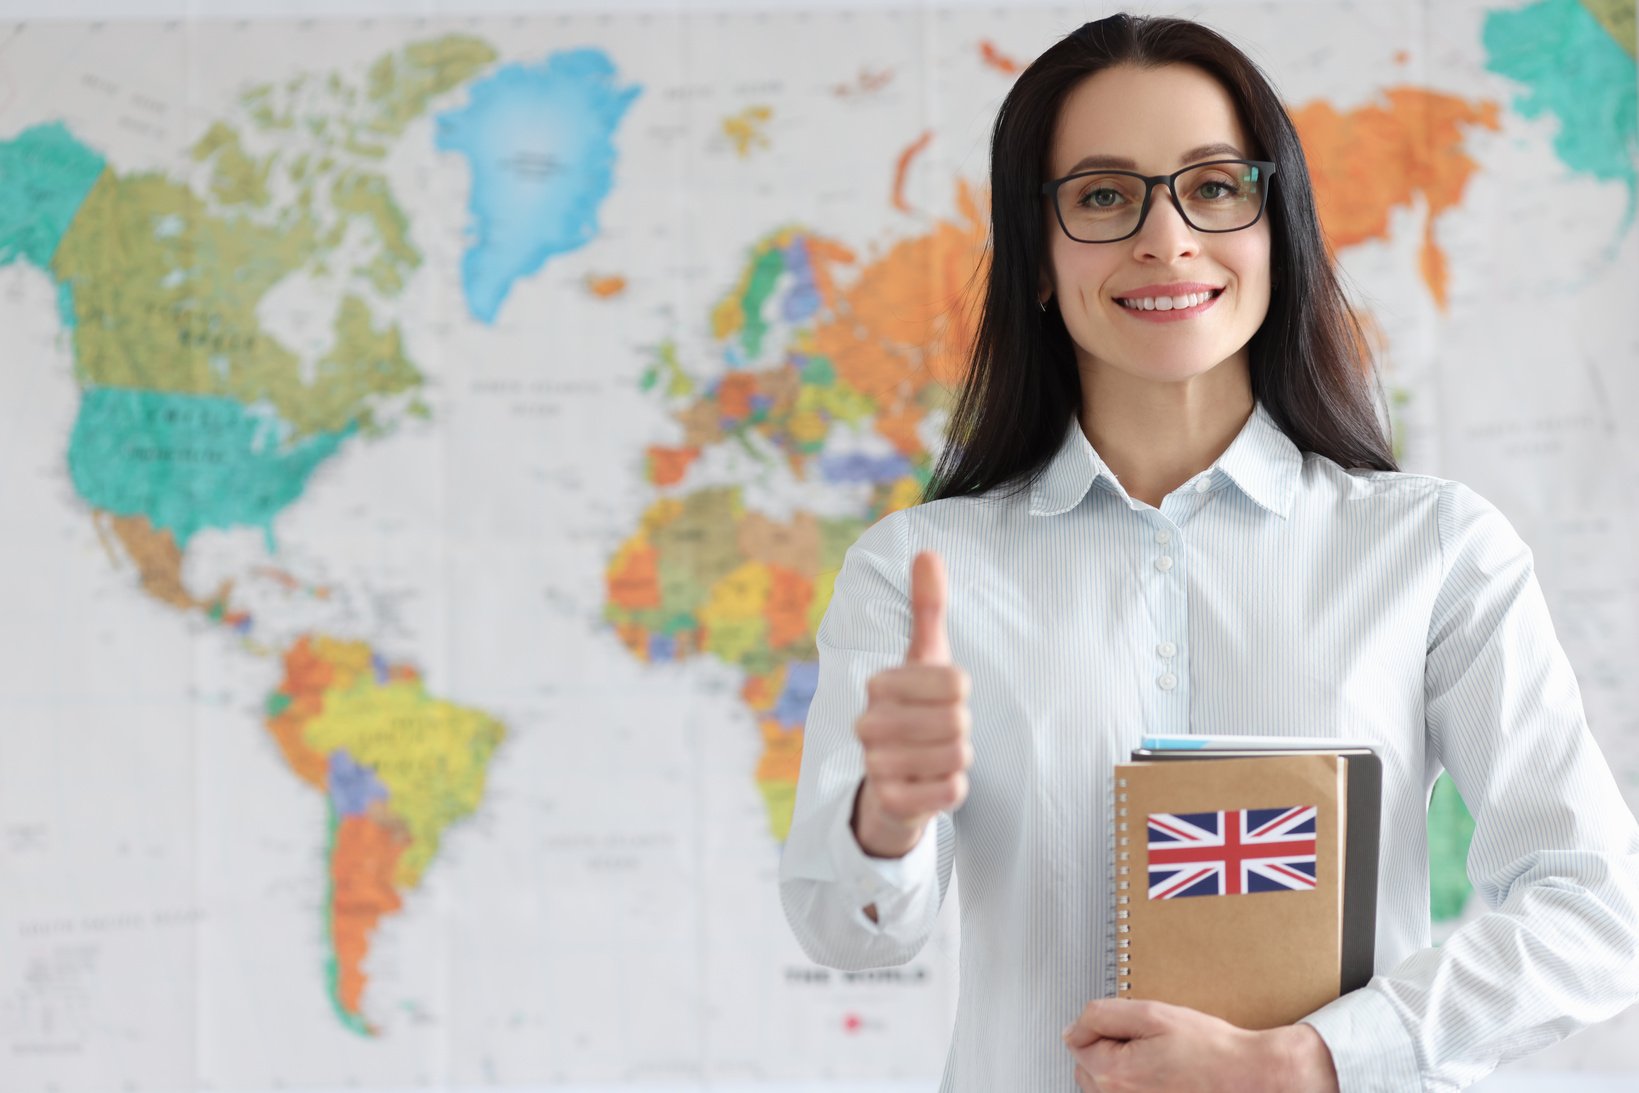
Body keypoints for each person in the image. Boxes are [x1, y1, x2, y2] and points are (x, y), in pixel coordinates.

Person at [778, 11, 1639, 1093]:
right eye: (1102, 195)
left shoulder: (1434, 549)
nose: (1166, 237)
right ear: (1036, 260)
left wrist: (1310, 1058)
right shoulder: (919, 575)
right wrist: (885, 816)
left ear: (1276, 225)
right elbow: (850, 933)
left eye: (1215, 186)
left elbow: (1595, 905)